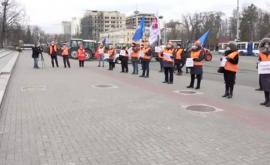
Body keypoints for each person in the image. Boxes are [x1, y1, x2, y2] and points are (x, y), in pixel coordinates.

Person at [258, 38, 270, 107]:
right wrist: (258, 63)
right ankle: (266, 100)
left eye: (268, 44)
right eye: (265, 44)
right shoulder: (261, 54)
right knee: (265, 87)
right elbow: (259, 61)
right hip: (264, 72)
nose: (266, 45)